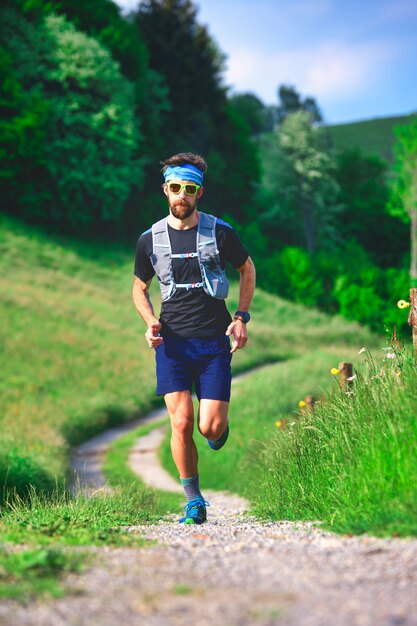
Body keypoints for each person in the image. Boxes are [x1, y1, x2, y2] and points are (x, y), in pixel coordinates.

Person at [132, 152, 255, 525]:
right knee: (181, 423)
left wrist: (241, 317)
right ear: (165, 191)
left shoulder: (220, 232)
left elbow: (246, 269)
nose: (181, 195)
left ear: (199, 193)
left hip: (214, 343)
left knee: (209, 428)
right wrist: (150, 320)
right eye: (175, 188)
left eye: (189, 189)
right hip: (172, 344)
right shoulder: (149, 239)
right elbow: (139, 288)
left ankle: (218, 429)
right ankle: (193, 500)